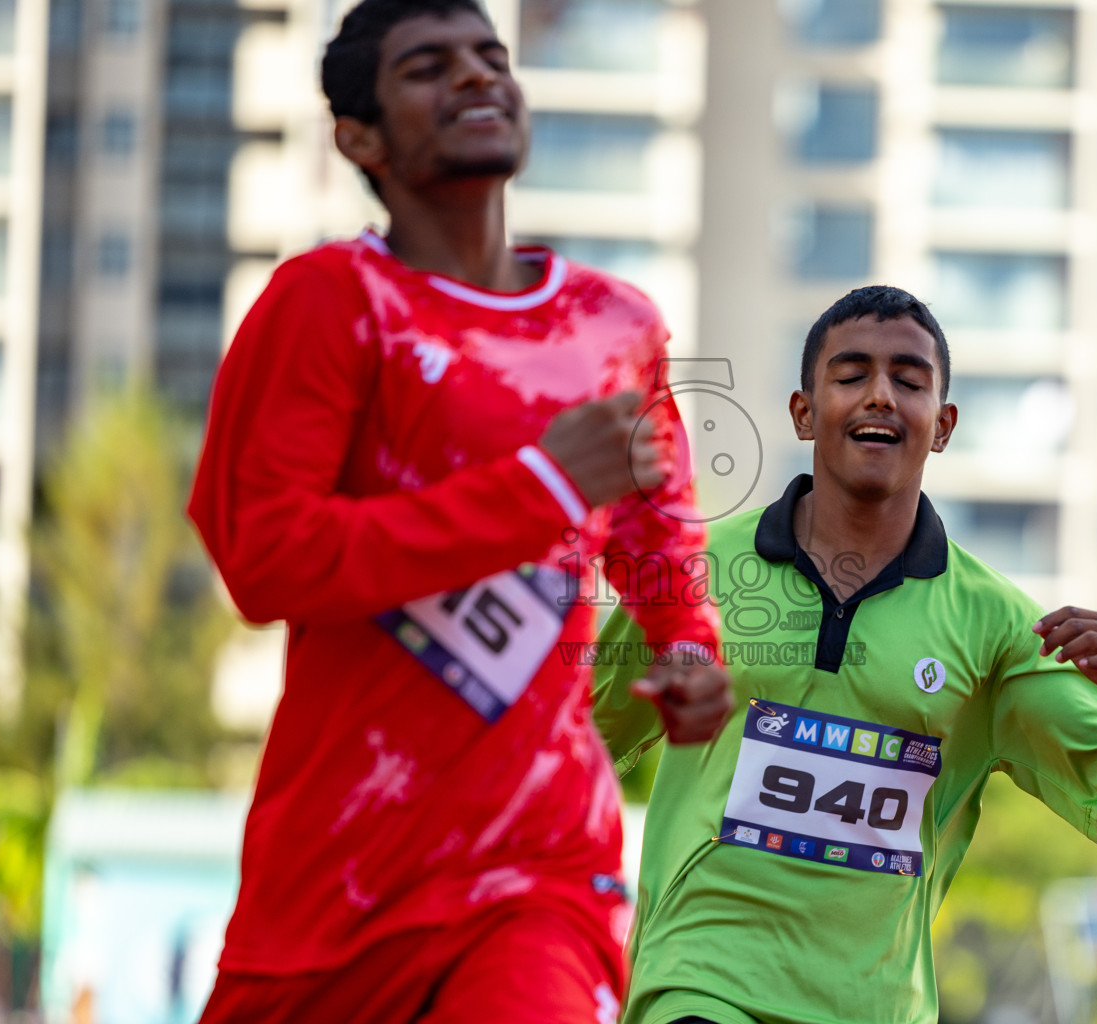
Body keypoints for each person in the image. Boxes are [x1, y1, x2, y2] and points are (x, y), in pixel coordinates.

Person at [187, 1, 731, 1020]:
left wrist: (690, 646)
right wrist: (540, 490)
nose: (477, 79)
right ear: (360, 137)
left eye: (490, 57)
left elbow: (659, 525)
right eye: (429, 68)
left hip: (542, 874)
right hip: (339, 886)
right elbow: (267, 558)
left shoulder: (615, 324)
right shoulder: (328, 301)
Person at [593, 286, 1097, 1024]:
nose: (879, 396)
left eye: (909, 380)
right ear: (805, 411)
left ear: (942, 424)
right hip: (697, 980)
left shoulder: (998, 625)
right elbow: (568, 740)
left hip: (874, 1005)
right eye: (851, 375)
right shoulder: (694, 573)